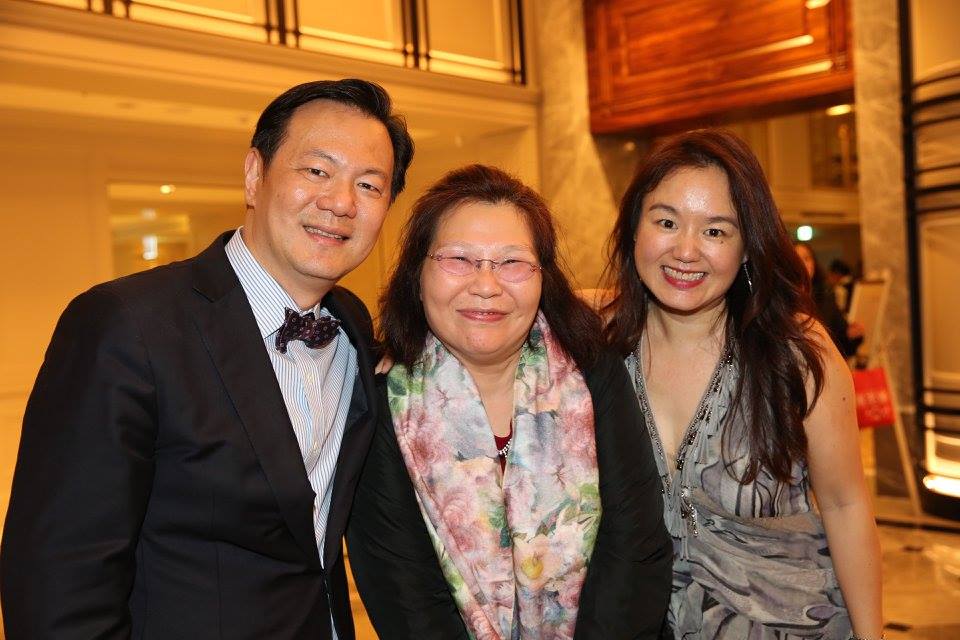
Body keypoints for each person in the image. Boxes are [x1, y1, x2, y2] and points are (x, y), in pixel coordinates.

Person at [1, 79, 414, 640]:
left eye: (369, 185)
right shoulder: (127, 325)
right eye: (317, 170)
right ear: (255, 175)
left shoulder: (353, 327)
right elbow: (59, 582)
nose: (341, 202)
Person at [346, 164, 672, 639]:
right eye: (459, 259)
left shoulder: (593, 372)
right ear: (417, 273)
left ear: (543, 277)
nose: (485, 285)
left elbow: (635, 549)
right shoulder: (381, 402)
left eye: (512, 263)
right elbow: (403, 594)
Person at [603, 130, 883, 639]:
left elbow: (846, 505)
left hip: (791, 623)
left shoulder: (797, 353)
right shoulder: (601, 349)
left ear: (748, 247)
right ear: (633, 229)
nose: (686, 251)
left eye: (715, 231)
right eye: (666, 222)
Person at [795, 242, 865, 359]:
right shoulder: (782, 300)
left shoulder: (826, 295)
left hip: (828, 363)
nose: (803, 263)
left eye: (807, 258)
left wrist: (851, 334)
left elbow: (840, 338)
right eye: (797, 259)